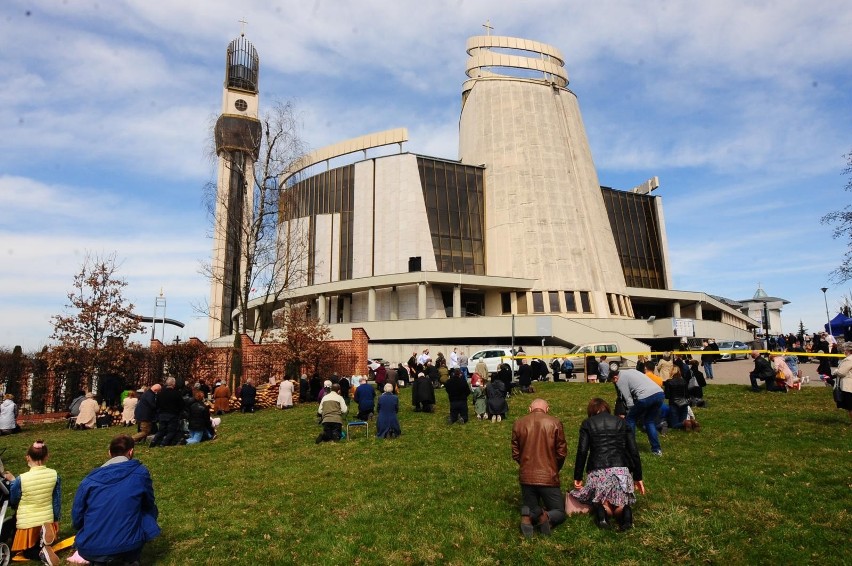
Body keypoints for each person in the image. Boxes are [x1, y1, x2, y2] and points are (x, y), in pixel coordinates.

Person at [72, 435, 160, 564]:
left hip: (91, 547)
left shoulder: (88, 481)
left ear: (109, 453)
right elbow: (149, 503)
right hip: (129, 544)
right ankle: (127, 554)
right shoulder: (140, 474)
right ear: (131, 452)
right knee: (148, 509)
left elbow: (77, 516)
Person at [570, 398, 644, 530]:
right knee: (621, 503)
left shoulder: (587, 423)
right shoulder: (622, 422)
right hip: (621, 471)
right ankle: (626, 517)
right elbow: (634, 451)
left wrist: (578, 476)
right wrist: (638, 477)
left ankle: (603, 517)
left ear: (592, 411)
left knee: (603, 503)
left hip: (598, 471)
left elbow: (582, 451)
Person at [511, 398, 567, 538]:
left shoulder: (519, 423)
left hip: (526, 476)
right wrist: (554, 468)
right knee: (559, 511)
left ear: (529, 409)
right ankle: (544, 515)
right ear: (547, 409)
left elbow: (515, 452)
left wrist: (525, 465)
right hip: (548, 475)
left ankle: (528, 515)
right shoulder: (554, 422)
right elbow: (561, 452)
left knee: (531, 506)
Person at [2, 440, 61, 565]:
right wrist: (55, 520)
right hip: (47, 519)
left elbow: (14, 499)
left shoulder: (21, 479)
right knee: (39, 541)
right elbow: (56, 501)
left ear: (27, 457)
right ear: (47, 457)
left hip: (27, 523)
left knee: (27, 552)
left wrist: (13, 481)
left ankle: (42, 552)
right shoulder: (54, 475)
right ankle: (44, 537)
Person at [611, 368, 665, 456]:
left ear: (615, 377)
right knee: (649, 421)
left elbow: (628, 398)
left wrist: (629, 410)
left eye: (613, 381)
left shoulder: (620, 380)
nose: (614, 383)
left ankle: (631, 447)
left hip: (645, 397)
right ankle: (656, 449)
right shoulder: (633, 371)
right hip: (659, 394)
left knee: (630, 419)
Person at [149, 377, 184, 447]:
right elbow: (182, 405)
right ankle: (164, 443)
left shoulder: (160, 393)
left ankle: (154, 441)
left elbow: (157, 404)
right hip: (173, 414)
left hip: (162, 414)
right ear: (174, 384)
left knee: (161, 430)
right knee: (171, 431)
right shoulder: (177, 393)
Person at [832, 342, 852, 421]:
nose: (843, 351)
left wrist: (836, 371)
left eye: (844, 349)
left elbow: (842, 372)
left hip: (849, 386)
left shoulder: (848, 359)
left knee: (850, 407)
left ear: (848, 350)